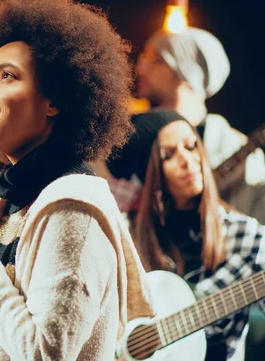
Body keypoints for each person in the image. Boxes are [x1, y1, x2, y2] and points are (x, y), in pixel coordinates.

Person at [0, 0, 154, 361]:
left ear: (55, 100)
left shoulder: (73, 209)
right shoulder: (17, 205)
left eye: (7, 77)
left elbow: (44, 359)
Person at [108, 109, 265, 361]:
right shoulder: (124, 233)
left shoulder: (249, 237)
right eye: (169, 154)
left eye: (192, 146)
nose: (188, 160)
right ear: (149, 173)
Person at [99, 27, 265, 223]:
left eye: (154, 59)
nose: (140, 68)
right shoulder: (124, 139)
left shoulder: (240, 153)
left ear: (187, 70)